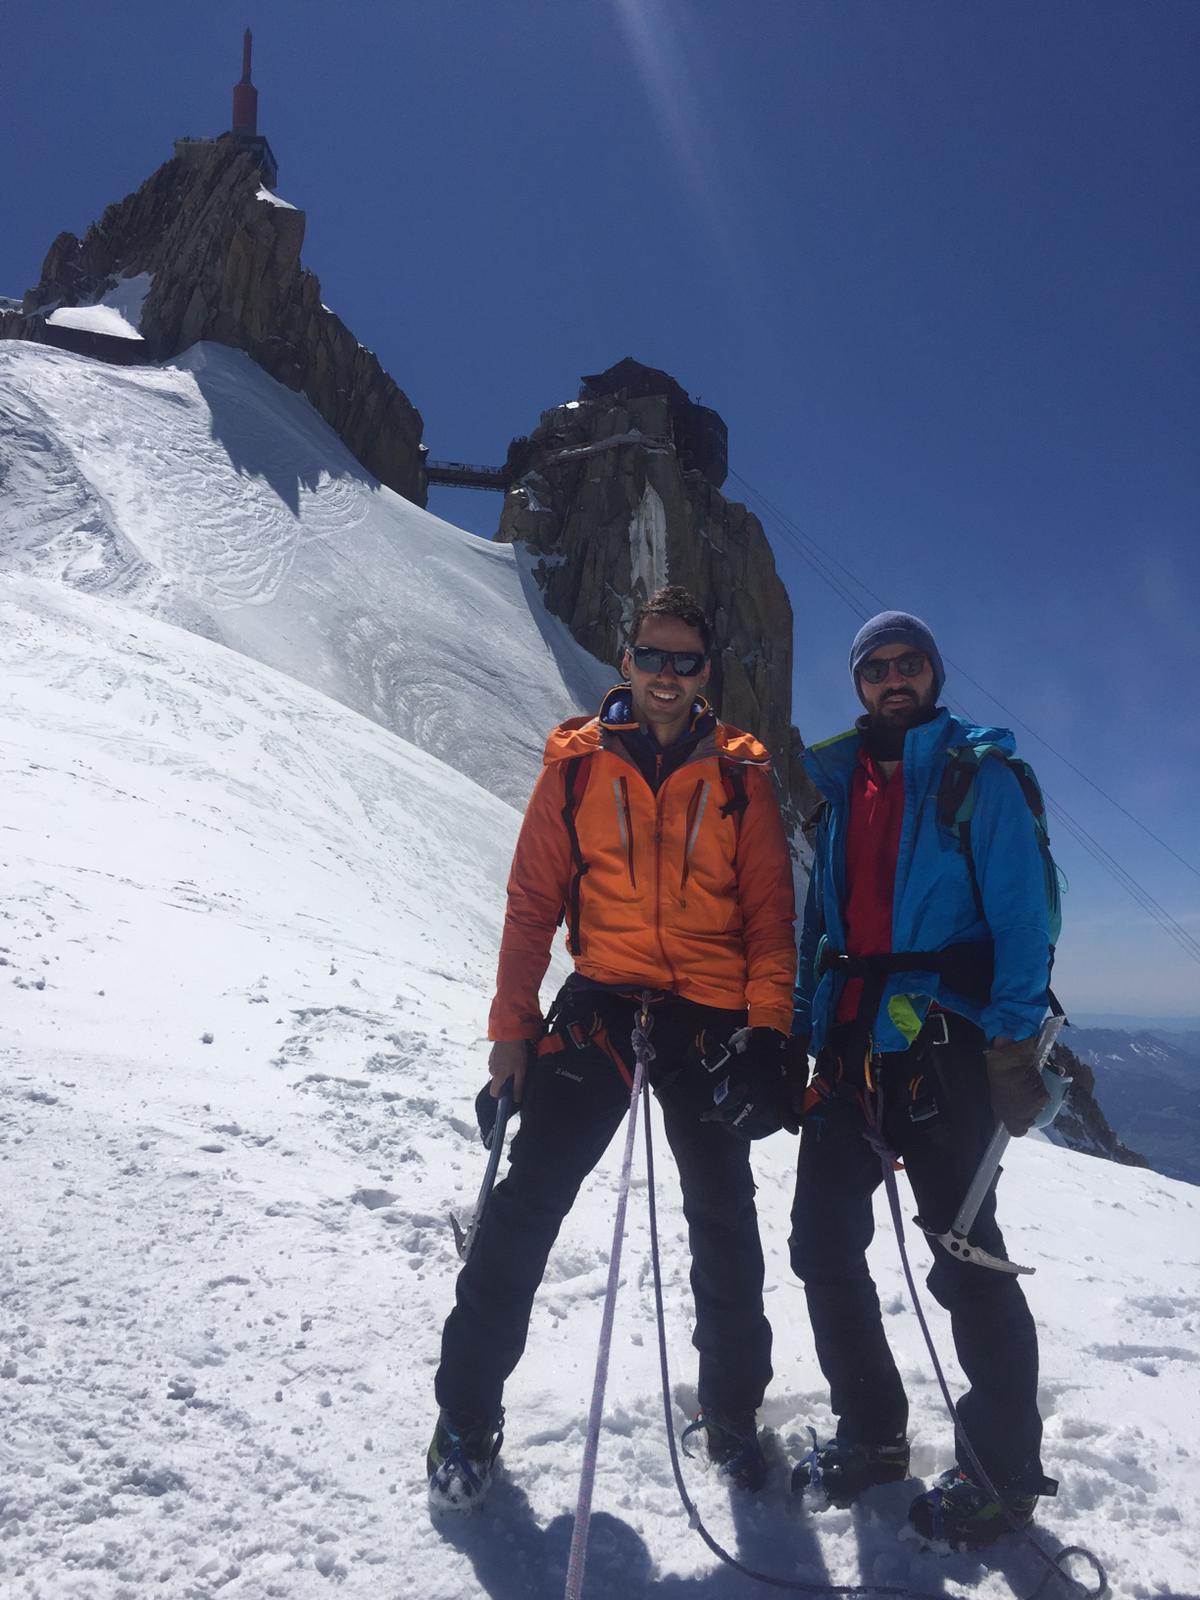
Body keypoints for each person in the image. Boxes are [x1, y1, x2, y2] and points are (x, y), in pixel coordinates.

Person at [428, 584, 796, 1507]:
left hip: (709, 1011)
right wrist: (511, 1031)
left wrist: (768, 1035)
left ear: (705, 672)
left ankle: (733, 1414)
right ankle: (465, 1414)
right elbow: (532, 902)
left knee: (723, 1216)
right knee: (528, 1202)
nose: (667, 677)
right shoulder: (577, 765)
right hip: (603, 997)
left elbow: (768, 922)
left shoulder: (743, 775)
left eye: (686, 661)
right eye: (652, 657)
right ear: (625, 663)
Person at [789, 610, 1058, 1550]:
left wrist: (1013, 1043)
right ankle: (874, 1433)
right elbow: (819, 930)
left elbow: (1023, 916)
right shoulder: (840, 788)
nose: (893, 679)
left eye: (909, 665)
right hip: (855, 1041)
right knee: (820, 1242)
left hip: (945, 1038)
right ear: (858, 684)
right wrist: (797, 1030)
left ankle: (1004, 1475)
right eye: (876, 668)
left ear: (933, 676)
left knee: (965, 1260)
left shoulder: (974, 779)